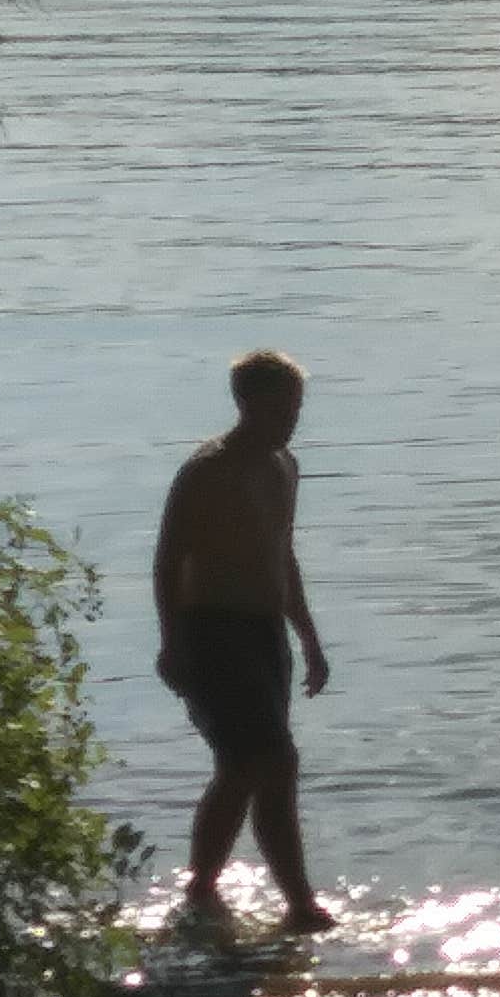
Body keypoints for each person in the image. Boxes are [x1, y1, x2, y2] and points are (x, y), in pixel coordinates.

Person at [153, 349, 336, 933]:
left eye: (297, 405)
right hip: (210, 629)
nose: (293, 417)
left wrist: (308, 637)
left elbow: (283, 555)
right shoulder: (208, 469)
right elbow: (167, 558)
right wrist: (172, 641)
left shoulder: (285, 464)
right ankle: (297, 902)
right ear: (248, 403)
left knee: (260, 767)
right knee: (263, 760)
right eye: (283, 405)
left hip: (264, 632)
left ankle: (206, 889)